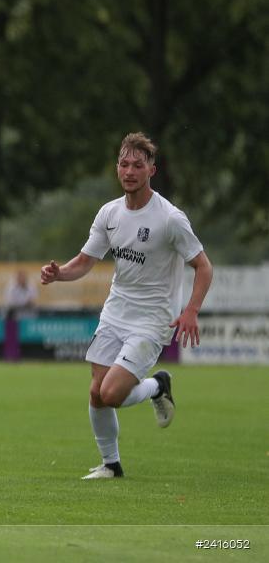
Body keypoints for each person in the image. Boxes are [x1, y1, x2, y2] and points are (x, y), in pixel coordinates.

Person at [41, 132, 213, 480]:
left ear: (152, 169)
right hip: (116, 311)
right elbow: (86, 261)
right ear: (117, 168)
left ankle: (157, 386)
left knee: (112, 393)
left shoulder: (170, 219)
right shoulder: (110, 212)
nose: (130, 170)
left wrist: (191, 310)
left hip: (152, 320)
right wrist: (59, 274)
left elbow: (203, 267)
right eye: (124, 163)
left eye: (138, 164)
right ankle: (111, 465)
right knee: (96, 393)